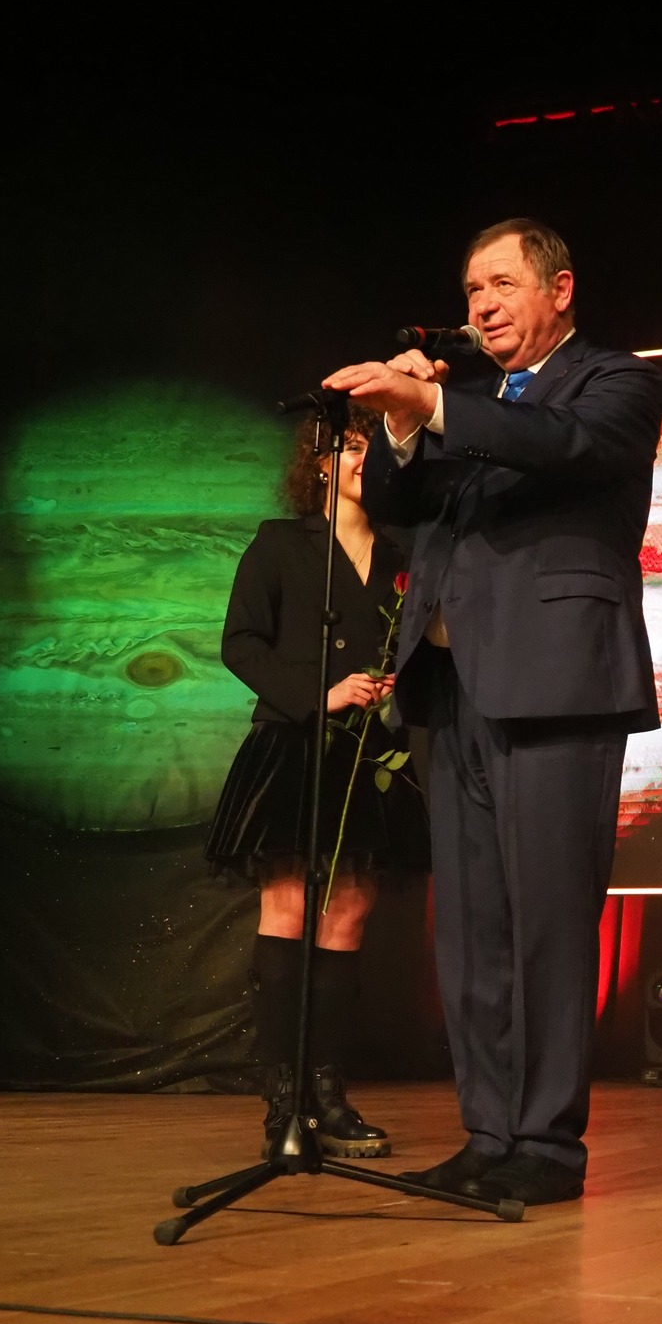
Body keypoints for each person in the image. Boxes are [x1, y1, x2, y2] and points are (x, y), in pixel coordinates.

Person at [322, 218, 662, 1207]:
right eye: (472, 289)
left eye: (501, 283)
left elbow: (561, 446)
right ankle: (488, 1133)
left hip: (557, 680)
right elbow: (399, 504)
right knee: (469, 931)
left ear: (560, 289)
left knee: (548, 920)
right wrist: (400, 427)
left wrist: (430, 403)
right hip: (454, 681)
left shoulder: (612, 383)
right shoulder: (471, 405)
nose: (480, 305)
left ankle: (546, 1146)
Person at [206, 407, 430, 1159]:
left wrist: (401, 684)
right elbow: (240, 643)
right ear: (321, 462)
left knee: (349, 916)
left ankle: (328, 1097)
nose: (364, 462)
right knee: (289, 908)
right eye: (352, 448)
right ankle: (283, 1105)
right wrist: (321, 693)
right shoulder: (280, 542)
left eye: (374, 449)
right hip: (296, 746)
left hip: (371, 754)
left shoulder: (403, 553)